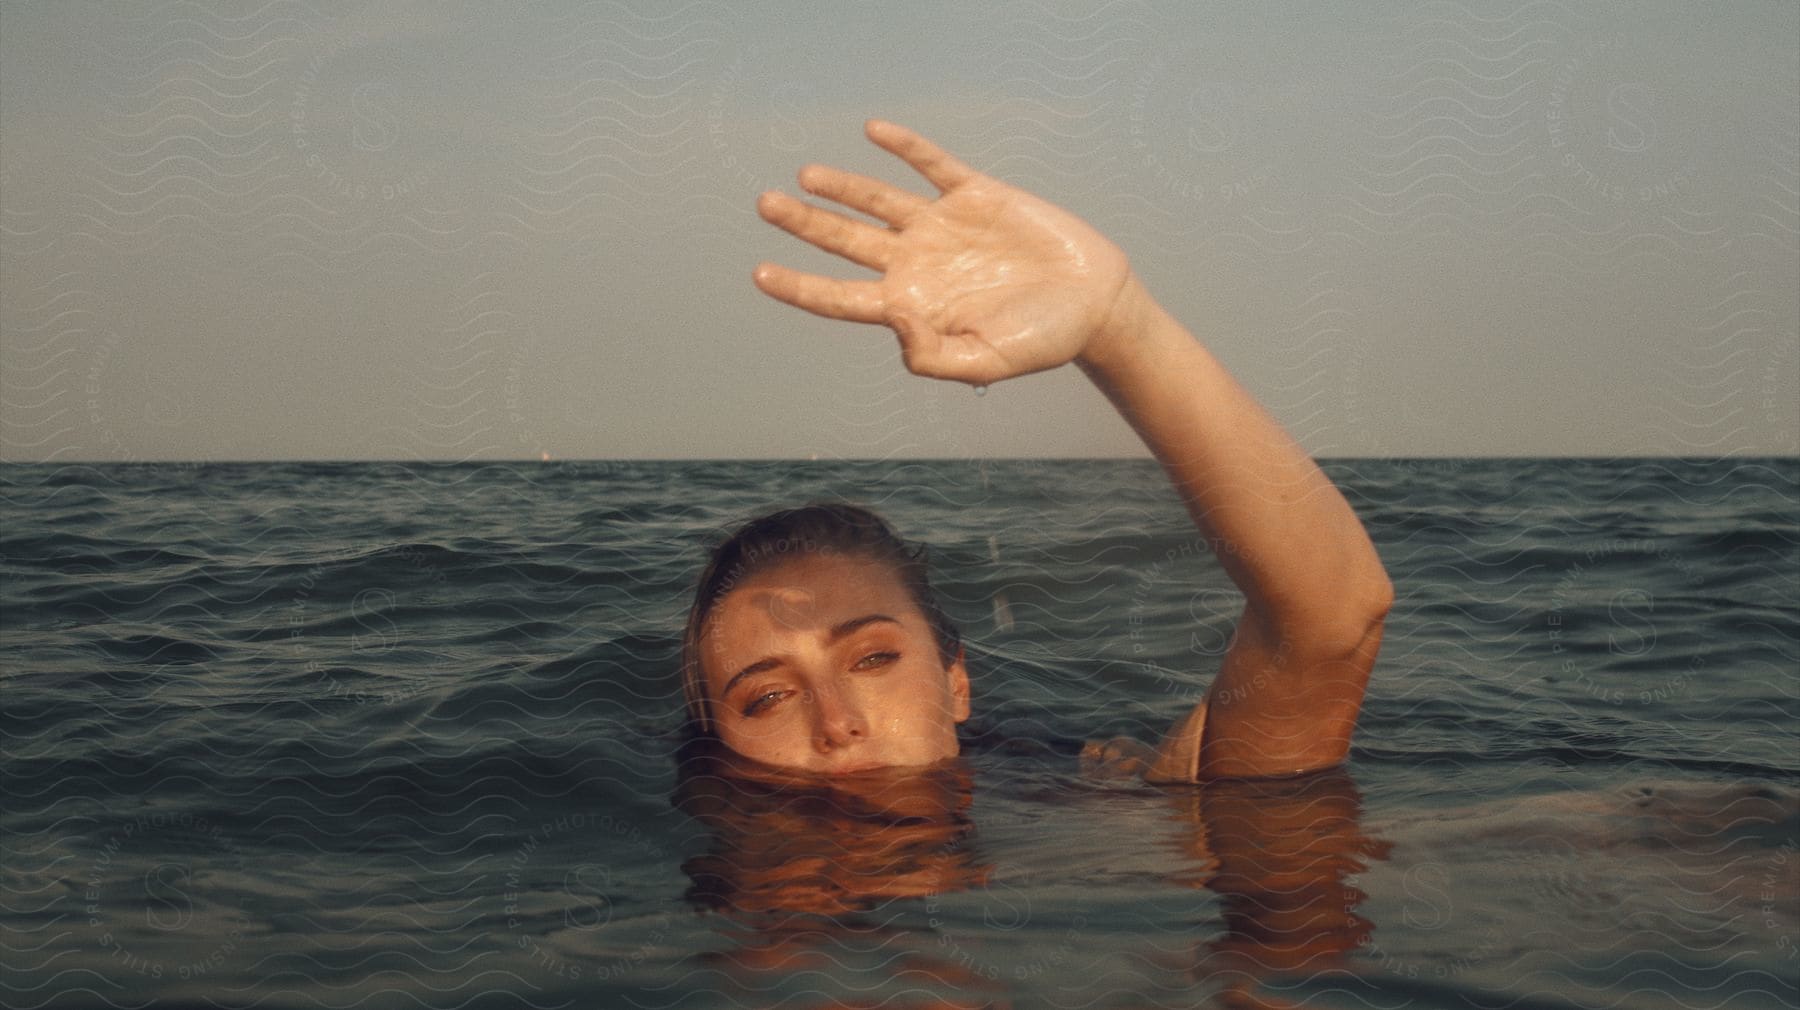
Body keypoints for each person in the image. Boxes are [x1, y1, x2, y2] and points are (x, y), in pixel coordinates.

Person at [680, 119, 1393, 783]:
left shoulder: (1114, 821)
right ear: (715, 740)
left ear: (956, 684)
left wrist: (1120, 325)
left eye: (874, 658)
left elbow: (1331, 616)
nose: (838, 725)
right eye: (766, 698)